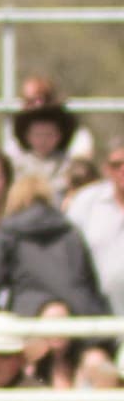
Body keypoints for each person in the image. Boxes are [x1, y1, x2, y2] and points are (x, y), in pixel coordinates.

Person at [0, 176, 109, 319]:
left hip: (29, 314)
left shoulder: (7, 232)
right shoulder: (70, 231)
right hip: (78, 312)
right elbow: (89, 280)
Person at [68, 137, 124, 319]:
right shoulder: (86, 202)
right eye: (116, 165)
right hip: (96, 311)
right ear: (106, 169)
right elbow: (68, 253)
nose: (123, 170)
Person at [9, 79, 94, 184]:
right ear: (27, 136)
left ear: (59, 136)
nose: (43, 140)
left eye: (49, 135)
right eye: (38, 135)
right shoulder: (19, 165)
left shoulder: (66, 165)